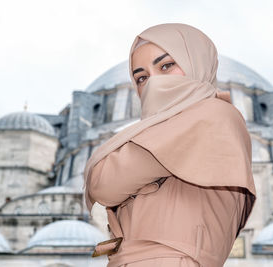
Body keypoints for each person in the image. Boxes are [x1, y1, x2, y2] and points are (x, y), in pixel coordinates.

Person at [83, 23, 257, 267]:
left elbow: (104, 183)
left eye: (166, 66)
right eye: (142, 77)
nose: (154, 83)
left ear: (196, 62)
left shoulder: (210, 115)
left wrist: (136, 183)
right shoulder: (178, 126)